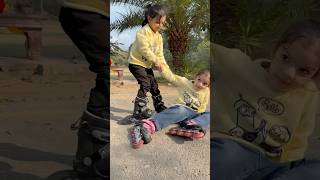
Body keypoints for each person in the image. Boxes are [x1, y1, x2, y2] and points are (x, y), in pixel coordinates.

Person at [212, 19, 320, 180]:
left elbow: (299, 140)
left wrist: (287, 166)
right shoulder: (238, 65)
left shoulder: (308, 96)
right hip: (230, 148)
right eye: (285, 57)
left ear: (315, 75)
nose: (288, 73)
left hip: (269, 166)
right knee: (225, 159)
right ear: (275, 49)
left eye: (303, 70)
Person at [59, 0, 109, 179]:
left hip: (85, 11)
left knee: (107, 73)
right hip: (88, 11)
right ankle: (90, 160)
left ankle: (91, 155)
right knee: (107, 73)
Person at [130, 66, 210, 149]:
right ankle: (148, 125)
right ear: (196, 76)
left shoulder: (206, 92)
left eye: (204, 84)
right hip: (180, 110)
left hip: (191, 117)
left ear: (208, 86)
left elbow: (203, 105)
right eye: (199, 80)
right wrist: (163, 69)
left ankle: (193, 125)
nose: (200, 84)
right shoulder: (184, 82)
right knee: (182, 111)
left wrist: (199, 118)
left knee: (210, 114)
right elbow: (172, 77)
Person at [128, 4, 168, 120]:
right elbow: (144, 50)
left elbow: (160, 54)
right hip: (136, 63)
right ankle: (138, 111)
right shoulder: (142, 33)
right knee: (145, 84)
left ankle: (159, 105)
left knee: (154, 85)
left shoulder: (159, 37)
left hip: (146, 65)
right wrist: (156, 62)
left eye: (163, 23)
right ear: (149, 18)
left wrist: (163, 65)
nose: (160, 26)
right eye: (157, 22)